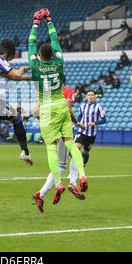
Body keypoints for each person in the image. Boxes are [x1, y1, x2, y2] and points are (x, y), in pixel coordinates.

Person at [27, 8, 87, 206]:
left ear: (39, 56)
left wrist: (36, 22)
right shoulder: (59, 62)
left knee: (51, 148)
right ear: (53, 54)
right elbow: (55, 41)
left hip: (47, 108)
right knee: (71, 143)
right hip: (62, 105)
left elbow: (30, 43)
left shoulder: (35, 65)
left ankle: (59, 183)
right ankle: (82, 176)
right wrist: (49, 20)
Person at [33, 82, 86, 213]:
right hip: (64, 127)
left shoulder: (45, 92)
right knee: (72, 155)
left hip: (50, 127)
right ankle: (73, 182)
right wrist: (77, 123)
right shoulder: (69, 90)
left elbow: (35, 111)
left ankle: (43, 193)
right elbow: (68, 109)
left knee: (65, 160)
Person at [74, 90, 107, 171]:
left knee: (85, 152)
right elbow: (80, 116)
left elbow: (104, 120)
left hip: (91, 134)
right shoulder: (82, 106)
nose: (90, 96)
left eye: (92, 95)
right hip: (81, 131)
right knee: (75, 149)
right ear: (86, 97)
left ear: (95, 97)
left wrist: (94, 123)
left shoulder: (99, 107)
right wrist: (77, 123)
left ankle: (83, 164)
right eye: (89, 95)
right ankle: (74, 171)